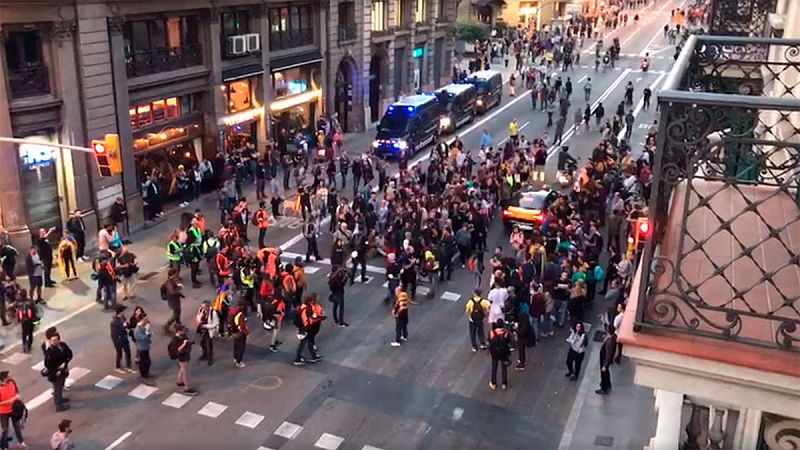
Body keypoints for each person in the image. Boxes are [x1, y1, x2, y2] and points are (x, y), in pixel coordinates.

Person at [42, 327, 73, 412]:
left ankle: (61, 399)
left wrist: (65, 363)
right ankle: (59, 405)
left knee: (61, 384)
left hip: (63, 369)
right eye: (53, 340)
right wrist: (58, 369)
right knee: (57, 388)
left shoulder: (63, 345)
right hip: (55, 373)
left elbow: (69, 354)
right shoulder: (50, 351)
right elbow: (48, 364)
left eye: (56, 340)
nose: (54, 342)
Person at [294, 294, 325, 365]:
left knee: (308, 342)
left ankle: (313, 356)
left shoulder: (303, 307)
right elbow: (311, 319)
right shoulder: (308, 308)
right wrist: (320, 318)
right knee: (303, 343)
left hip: (304, 327)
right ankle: (297, 359)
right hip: (306, 328)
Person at [168, 326, 197, 395]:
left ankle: (179, 381)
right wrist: (184, 344)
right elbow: (178, 349)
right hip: (182, 357)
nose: (184, 332)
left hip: (185, 355)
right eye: (183, 331)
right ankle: (187, 387)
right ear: (179, 331)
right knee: (185, 371)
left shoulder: (182, 336)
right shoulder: (175, 340)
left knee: (182, 368)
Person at [0, 371, 26, 449]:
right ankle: (4, 446)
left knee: (17, 426)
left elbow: (17, 391)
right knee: (5, 429)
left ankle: (21, 441)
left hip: (14, 409)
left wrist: (18, 397)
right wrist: (11, 400)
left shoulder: (12, 382)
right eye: (9, 376)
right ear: (5, 379)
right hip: (3, 412)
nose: (11, 377)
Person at [110, 304, 133, 375]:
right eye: (123, 311)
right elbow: (115, 333)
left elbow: (126, 325)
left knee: (128, 352)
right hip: (118, 339)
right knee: (119, 353)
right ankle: (118, 367)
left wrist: (127, 325)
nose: (124, 313)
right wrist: (124, 326)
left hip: (124, 337)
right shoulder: (114, 322)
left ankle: (128, 366)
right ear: (119, 312)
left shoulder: (122, 318)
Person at [488, 319, 511, 390]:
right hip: (503, 353)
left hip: (494, 353)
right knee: (504, 368)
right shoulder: (506, 333)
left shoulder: (492, 332)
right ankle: (504, 383)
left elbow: (490, 341)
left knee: (494, 367)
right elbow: (508, 341)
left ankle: (493, 383)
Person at [596, 325, 617, 395]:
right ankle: (608, 384)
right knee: (606, 372)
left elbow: (608, 353)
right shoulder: (613, 337)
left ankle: (604, 387)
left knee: (604, 373)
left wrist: (605, 364)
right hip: (606, 358)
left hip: (604, 358)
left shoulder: (609, 341)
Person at [196, 300, 218, 366]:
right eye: (202, 306)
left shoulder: (213, 313)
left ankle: (210, 358)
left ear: (208, 306)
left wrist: (206, 326)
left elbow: (216, 323)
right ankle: (205, 355)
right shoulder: (201, 310)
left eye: (204, 306)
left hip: (208, 330)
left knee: (209, 344)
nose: (203, 308)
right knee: (202, 343)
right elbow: (198, 316)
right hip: (202, 330)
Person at [163, 268, 184, 333]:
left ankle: (178, 324)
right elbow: (172, 292)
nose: (176, 275)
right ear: (172, 275)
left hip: (176, 299)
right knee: (176, 314)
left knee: (178, 312)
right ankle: (167, 325)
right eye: (175, 274)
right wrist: (179, 287)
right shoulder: (168, 283)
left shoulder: (173, 280)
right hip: (173, 301)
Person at [230, 303, 249, 368]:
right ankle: (239, 361)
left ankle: (235, 358)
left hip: (234, 332)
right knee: (241, 347)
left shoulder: (232, 312)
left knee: (236, 346)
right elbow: (242, 326)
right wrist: (246, 333)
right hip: (240, 333)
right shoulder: (240, 315)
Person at [133, 315, 153, 379]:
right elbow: (141, 337)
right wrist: (147, 333)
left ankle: (146, 373)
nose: (146, 321)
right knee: (144, 362)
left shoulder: (143, 327)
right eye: (145, 320)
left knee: (147, 361)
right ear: (141, 320)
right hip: (142, 347)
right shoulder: (138, 329)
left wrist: (148, 332)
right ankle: (144, 374)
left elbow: (147, 336)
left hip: (146, 346)